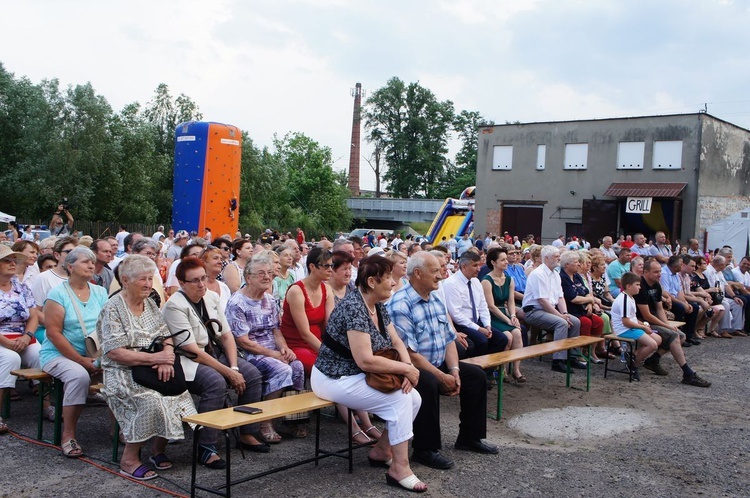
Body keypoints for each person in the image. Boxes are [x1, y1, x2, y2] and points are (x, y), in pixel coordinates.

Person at [312, 255, 426, 492]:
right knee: (401, 399)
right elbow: (365, 361)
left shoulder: (376, 305)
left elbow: (396, 341)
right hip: (332, 378)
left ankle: (382, 451)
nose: (395, 282)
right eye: (389, 278)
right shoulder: (354, 307)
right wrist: (406, 369)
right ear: (372, 282)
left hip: (355, 375)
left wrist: (408, 371)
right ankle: (399, 468)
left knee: (414, 398)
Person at [388, 252, 498, 472]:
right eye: (435, 271)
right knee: (427, 383)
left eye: (440, 270)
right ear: (417, 274)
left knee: (475, 376)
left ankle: (469, 437)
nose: (441, 275)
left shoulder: (436, 297)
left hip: (437, 362)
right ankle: (424, 449)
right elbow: (409, 353)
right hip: (411, 367)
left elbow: (449, 339)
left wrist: (454, 371)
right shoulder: (400, 304)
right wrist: (441, 376)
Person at [97, 255, 197, 480]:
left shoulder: (150, 303)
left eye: (150, 279)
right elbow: (115, 352)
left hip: (153, 365)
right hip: (122, 371)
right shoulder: (113, 308)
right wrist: (156, 359)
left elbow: (167, 336)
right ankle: (129, 459)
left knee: (175, 393)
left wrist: (167, 356)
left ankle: (157, 450)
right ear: (125, 279)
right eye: (142, 279)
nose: (148, 284)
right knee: (151, 400)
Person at [162, 256, 267, 468]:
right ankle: (206, 447)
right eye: (195, 281)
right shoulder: (174, 306)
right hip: (189, 360)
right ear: (182, 283)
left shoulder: (210, 297)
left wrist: (235, 367)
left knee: (252, 375)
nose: (201, 284)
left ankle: (247, 432)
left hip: (213, 351)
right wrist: (228, 372)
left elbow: (227, 336)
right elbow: (192, 350)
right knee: (215, 382)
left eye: (204, 278)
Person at [225, 257, 304, 444]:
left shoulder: (269, 299)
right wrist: (274, 355)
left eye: (269, 273)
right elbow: (243, 342)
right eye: (261, 273)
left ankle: (293, 419)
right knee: (282, 369)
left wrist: (284, 349)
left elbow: (276, 331)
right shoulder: (237, 302)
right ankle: (265, 421)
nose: (267, 277)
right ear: (248, 277)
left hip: (271, 349)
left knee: (298, 365)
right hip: (249, 354)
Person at [40, 247, 108, 457]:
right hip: (58, 354)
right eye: (85, 262)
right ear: (70, 267)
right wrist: (80, 360)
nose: (90, 265)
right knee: (78, 376)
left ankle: (122, 431)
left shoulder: (100, 291)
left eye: (92, 261)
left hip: (94, 353)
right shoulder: (57, 294)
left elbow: (108, 326)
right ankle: (68, 436)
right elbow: (53, 333)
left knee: (121, 372)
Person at [634, 259, 711, 387]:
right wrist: (666, 326)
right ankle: (688, 373)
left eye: (660, 271)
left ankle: (654, 360)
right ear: (645, 272)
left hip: (652, 320)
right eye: (656, 272)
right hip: (642, 322)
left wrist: (668, 325)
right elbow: (646, 315)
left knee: (681, 336)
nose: (659, 274)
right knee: (674, 336)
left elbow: (659, 309)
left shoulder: (656, 285)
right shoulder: (641, 287)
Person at [521, 246, 584, 373]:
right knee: (561, 323)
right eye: (556, 256)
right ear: (546, 258)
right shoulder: (538, 274)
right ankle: (558, 361)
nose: (559, 258)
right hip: (533, 311)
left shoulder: (556, 274)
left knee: (575, 321)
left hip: (549, 310)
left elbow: (560, 297)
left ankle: (572, 357)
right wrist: (561, 316)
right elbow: (542, 301)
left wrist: (565, 313)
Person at [0, 246, 41, 435]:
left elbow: (33, 316)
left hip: (22, 336)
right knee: (10, 359)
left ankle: (47, 405)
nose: (12, 263)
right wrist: (5, 342)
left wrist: (28, 335)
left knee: (41, 355)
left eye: (13, 260)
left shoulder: (21, 286)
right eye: (6, 260)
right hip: (2, 338)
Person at [443, 250, 508, 357]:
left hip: (476, 322)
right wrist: (479, 329)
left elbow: (483, 306)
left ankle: (487, 369)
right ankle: (476, 369)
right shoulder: (451, 284)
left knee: (501, 339)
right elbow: (456, 315)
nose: (479, 269)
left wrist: (487, 325)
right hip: (462, 324)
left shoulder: (476, 281)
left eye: (480, 265)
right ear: (464, 266)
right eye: (475, 265)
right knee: (481, 341)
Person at [481, 247, 524, 380]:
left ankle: (516, 370)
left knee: (517, 333)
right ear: (493, 262)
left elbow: (511, 301)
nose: (507, 262)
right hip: (492, 316)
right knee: (507, 337)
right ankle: (501, 368)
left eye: (506, 259)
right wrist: (507, 320)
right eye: (503, 260)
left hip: (505, 314)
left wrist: (513, 316)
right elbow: (491, 306)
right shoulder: (486, 281)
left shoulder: (509, 279)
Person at [609, 272, 661, 381]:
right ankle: (634, 366)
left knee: (658, 339)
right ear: (628, 286)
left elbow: (631, 317)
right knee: (652, 345)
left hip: (632, 327)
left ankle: (632, 355)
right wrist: (642, 327)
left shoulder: (631, 297)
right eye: (637, 285)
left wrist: (641, 323)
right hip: (624, 330)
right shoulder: (624, 299)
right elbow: (626, 322)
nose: (640, 287)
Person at [559, 251, 606, 363]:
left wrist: (590, 303)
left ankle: (590, 351)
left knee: (599, 321)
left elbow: (587, 291)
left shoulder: (577, 276)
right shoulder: (562, 278)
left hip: (584, 308)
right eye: (576, 262)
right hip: (571, 309)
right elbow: (573, 298)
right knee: (586, 322)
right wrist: (590, 300)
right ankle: (578, 352)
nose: (579, 265)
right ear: (567, 265)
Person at [201, 245, 231, 312]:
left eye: (221, 259)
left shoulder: (224, 287)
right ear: (203, 262)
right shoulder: (198, 286)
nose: (220, 262)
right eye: (215, 258)